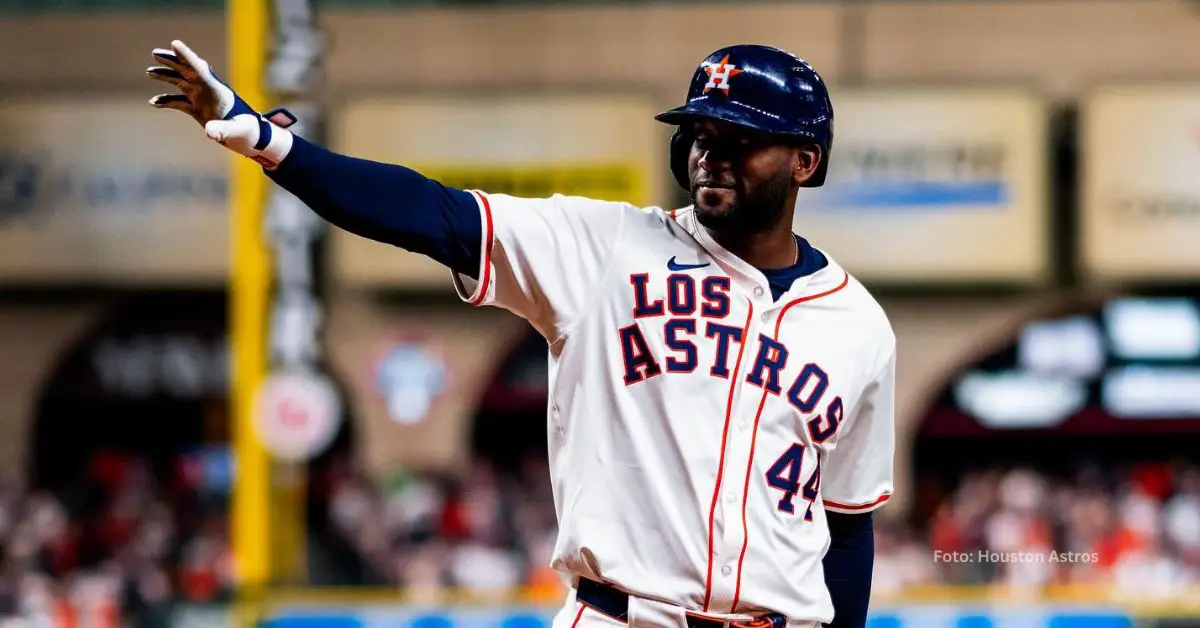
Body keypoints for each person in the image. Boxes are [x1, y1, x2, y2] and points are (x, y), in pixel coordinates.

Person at [145, 40, 895, 628]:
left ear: (805, 161)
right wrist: (271, 145)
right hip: (621, 617)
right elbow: (432, 214)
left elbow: (848, 526)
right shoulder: (605, 248)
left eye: (740, 138)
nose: (710, 152)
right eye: (701, 132)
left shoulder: (857, 325)